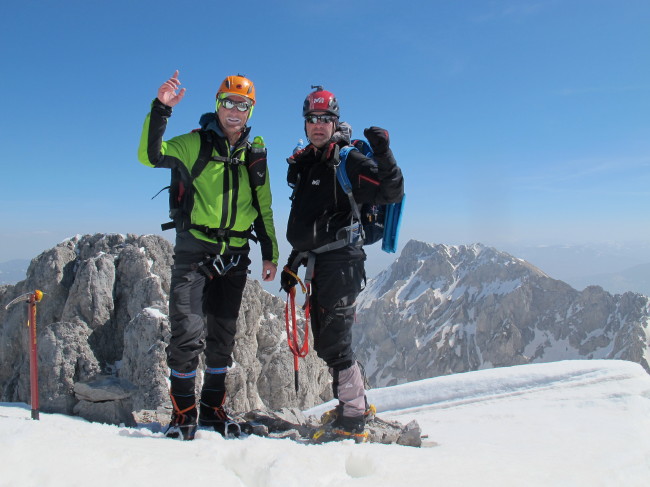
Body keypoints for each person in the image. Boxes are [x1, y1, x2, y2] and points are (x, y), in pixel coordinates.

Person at [138, 71, 278, 440]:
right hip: (195, 251)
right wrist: (161, 110)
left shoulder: (254, 155)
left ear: (250, 111)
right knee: (187, 332)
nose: (234, 110)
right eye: (228, 102)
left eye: (242, 105)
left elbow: (263, 207)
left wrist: (270, 254)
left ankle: (213, 410)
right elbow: (150, 155)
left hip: (235, 255)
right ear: (217, 105)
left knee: (223, 337)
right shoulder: (194, 144)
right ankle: (183, 414)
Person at [281, 86, 404, 441]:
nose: (318, 125)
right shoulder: (308, 163)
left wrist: (384, 152)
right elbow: (309, 223)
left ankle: (352, 417)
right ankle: (352, 404)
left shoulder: (348, 161)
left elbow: (391, 190)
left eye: (325, 119)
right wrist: (293, 263)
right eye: (312, 119)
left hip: (343, 264)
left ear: (335, 122)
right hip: (320, 263)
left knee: (335, 343)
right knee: (327, 340)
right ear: (305, 124)